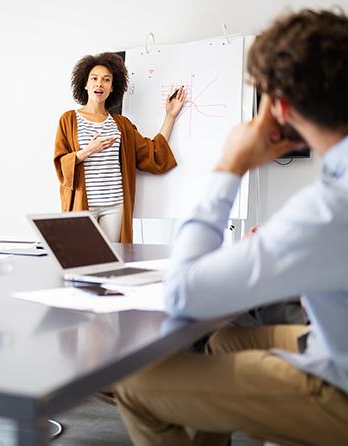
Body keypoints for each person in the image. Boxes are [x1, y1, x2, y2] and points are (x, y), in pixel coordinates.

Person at [114, 9, 348, 445]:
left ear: (279, 107)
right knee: (224, 342)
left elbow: (183, 294)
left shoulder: (329, 207)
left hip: (340, 389)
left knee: (135, 383)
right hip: (325, 338)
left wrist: (230, 165)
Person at [54, 53, 185, 242]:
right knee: (83, 257)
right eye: (95, 78)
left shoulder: (121, 124)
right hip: (83, 204)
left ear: (112, 87)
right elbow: (60, 164)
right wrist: (88, 150)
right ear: (85, 84)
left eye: (106, 80)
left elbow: (152, 152)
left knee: (112, 261)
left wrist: (170, 116)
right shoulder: (68, 119)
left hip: (114, 206)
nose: (100, 84)